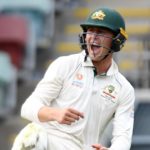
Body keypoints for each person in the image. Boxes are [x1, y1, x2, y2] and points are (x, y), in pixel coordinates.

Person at [12, 7, 135, 150]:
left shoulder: (124, 89)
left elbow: (123, 136)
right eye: (90, 31)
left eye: (100, 32)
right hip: (50, 142)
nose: (93, 37)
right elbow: (28, 107)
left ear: (117, 40)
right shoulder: (64, 65)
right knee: (31, 136)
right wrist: (55, 113)